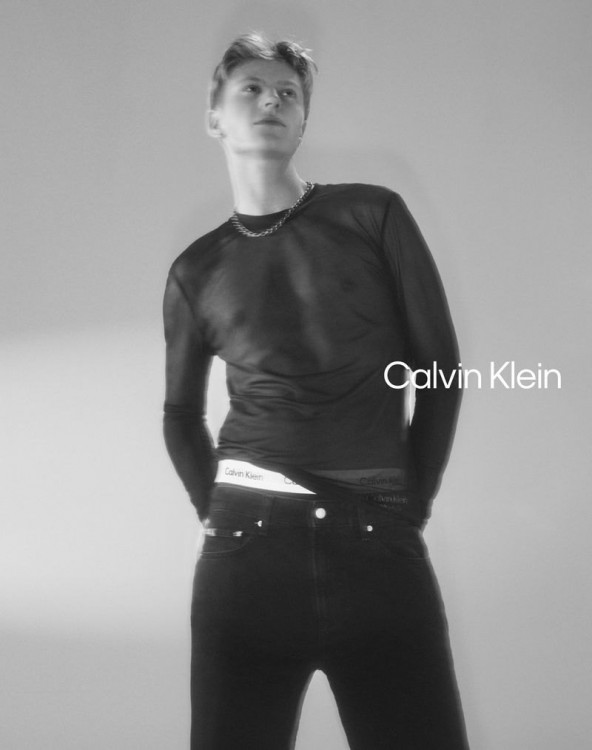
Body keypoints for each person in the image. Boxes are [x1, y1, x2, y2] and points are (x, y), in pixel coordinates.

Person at [163, 32, 469, 750]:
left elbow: (441, 371)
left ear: (303, 121)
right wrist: (220, 516)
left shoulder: (373, 215)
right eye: (251, 88)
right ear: (214, 117)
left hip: (378, 546)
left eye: (288, 93)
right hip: (246, 559)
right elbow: (179, 414)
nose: (271, 100)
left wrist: (409, 507)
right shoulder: (195, 270)